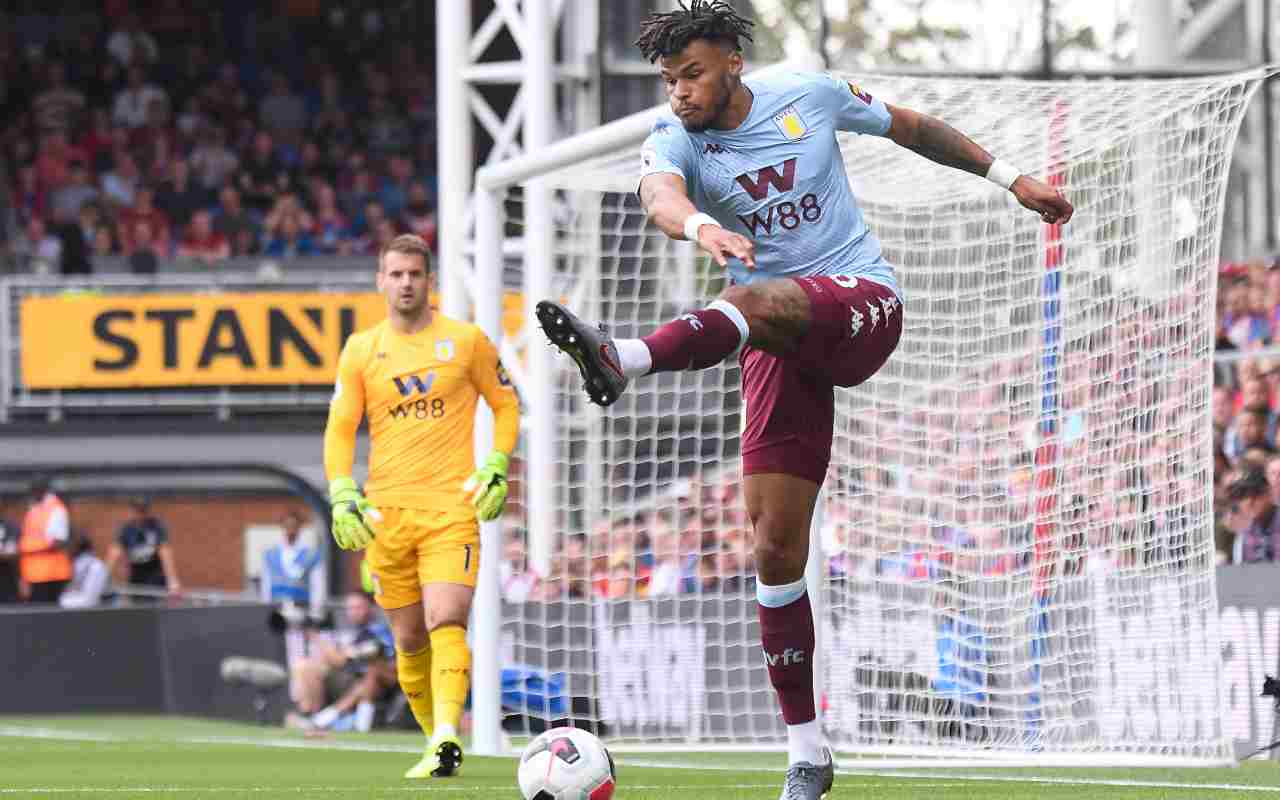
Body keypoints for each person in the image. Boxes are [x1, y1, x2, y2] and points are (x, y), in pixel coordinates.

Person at [534, 3, 1074, 797]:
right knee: (775, 551)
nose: (678, 92)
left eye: (691, 75)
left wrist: (1010, 178)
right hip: (773, 336)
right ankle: (808, 753)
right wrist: (697, 230)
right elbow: (658, 192)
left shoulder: (807, 94)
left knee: (753, 302)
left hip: (861, 303)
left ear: (732, 64)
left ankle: (626, 359)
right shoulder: (677, 134)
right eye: (668, 79)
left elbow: (912, 127)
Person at [323, 233, 520, 778]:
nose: (406, 282)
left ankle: (450, 733)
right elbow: (340, 428)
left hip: (451, 510)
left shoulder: (466, 341)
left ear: (430, 281)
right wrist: (342, 492)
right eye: (397, 274)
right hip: (386, 516)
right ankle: (437, 740)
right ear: (380, 281)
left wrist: (497, 463)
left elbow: (506, 405)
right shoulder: (361, 350)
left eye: (416, 273)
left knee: (446, 617)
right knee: (408, 640)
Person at [288, 591, 397, 734]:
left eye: (358, 607)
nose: (353, 612)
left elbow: (341, 660)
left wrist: (315, 637)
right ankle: (310, 714)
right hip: (351, 680)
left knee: (372, 673)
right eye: (350, 608)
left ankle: (326, 719)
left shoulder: (378, 630)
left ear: (371, 607)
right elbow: (338, 660)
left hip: (380, 680)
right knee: (305, 667)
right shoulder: (355, 632)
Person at [106, 497, 182, 600]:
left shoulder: (156, 527)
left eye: (143, 510)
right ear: (132, 510)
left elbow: (165, 552)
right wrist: (104, 576)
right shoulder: (126, 529)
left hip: (155, 580)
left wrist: (172, 580)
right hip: (136, 581)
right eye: (138, 510)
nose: (140, 514)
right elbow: (114, 553)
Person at [18, 476, 73, 603]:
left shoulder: (56, 509)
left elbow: (58, 541)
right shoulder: (35, 508)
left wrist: (28, 548)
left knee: (48, 616)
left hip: (51, 575)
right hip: (35, 574)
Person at [1225, 468, 1280, 563]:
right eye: (1242, 495)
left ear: (1269, 493)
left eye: (1255, 493)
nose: (1249, 501)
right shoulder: (1244, 533)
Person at [60, 535, 110, 609]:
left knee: (64, 600)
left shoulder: (83, 563)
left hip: (90, 603)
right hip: (95, 602)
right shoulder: (97, 563)